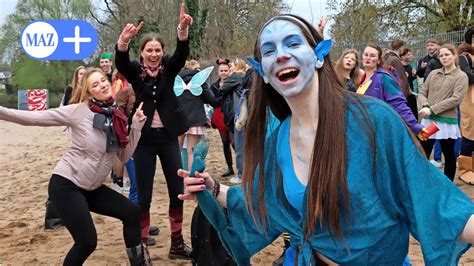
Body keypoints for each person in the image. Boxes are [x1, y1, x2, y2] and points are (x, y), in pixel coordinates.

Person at [178, 14, 474, 265]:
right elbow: (266, 200)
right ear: (263, 73)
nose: (281, 54)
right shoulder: (278, 137)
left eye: (293, 43)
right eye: (269, 51)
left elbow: (436, 203)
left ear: (319, 55)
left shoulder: (373, 121)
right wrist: (213, 187)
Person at [0, 68, 149, 265]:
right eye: (95, 85)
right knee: (87, 242)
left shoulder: (116, 116)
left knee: (132, 213)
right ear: (89, 93)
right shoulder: (78, 111)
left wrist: (136, 127)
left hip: (92, 188)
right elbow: (34, 118)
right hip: (66, 185)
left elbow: (123, 155)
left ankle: (139, 263)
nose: (102, 85)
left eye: (103, 81)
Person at [114, 3, 193, 258]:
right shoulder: (135, 73)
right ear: (143, 52)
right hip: (144, 142)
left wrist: (182, 31)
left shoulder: (169, 69)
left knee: (177, 192)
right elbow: (122, 62)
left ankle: (177, 244)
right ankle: (144, 245)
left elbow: (181, 55)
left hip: (169, 140)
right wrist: (123, 42)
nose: (154, 54)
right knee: (144, 196)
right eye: (149, 50)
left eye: (158, 50)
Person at [418, 43, 468, 181]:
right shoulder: (434, 73)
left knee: (449, 154)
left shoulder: (461, 76)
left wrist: (432, 109)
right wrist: (425, 104)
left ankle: (448, 185)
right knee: (423, 151)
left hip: (446, 123)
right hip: (429, 122)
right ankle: (423, 182)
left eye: (447, 54)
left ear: (454, 56)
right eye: (441, 55)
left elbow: (456, 99)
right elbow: (422, 91)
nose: (444, 57)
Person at [358, 43, 425, 137]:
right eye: (366, 54)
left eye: (372, 55)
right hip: (366, 129)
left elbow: (398, 102)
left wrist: (414, 125)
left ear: (378, 60)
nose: (368, 57)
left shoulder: (383, 77)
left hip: (381, 131)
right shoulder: (363, 79)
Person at [175, 59, 217, 171]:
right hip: (195, 118)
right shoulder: (199, 80)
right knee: (192, 152)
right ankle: (191, 181)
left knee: (175, 151)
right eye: (198, 68)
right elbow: (211, 99)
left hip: (177, 119)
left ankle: (176, 180)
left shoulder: (174, 78)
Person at [220, 58, 247, 184]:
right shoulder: (245, 76)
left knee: (239, 145)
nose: (230, 69)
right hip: (247, 115)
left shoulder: (236, 76)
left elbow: (222, 89)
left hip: (240, 115)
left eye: (231, 66)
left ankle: (241, 174)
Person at [210, 58, 235, 177]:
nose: (224, 72)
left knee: (235, 142)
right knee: (225, 142)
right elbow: (212, 100)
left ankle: (242, 166)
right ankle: (230, 168)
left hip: (231, 112)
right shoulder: (214, 85)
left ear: (229, 71)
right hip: (219, 114)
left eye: (226, 70)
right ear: (218, 72)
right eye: (222, 70)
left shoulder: (234, 82)